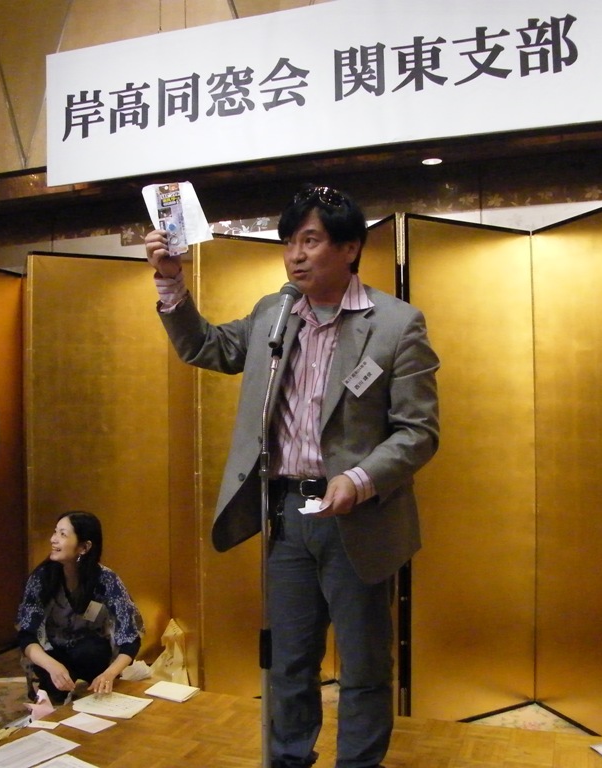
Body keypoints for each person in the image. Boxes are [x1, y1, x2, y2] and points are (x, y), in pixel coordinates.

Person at [144, 184, 440, 768]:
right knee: (289, 661)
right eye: (289, 243)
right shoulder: (274, 313)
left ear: (350, 248)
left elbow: (419, 432)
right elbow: (205, 347)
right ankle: (288, 760)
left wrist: (359, 479)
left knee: (363, 663)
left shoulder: (396, 324)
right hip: (286, 517)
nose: (295, 256)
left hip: (359, 519)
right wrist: (170, 280)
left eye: (310, 241)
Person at [15, 511, 144, 705]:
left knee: (91, 653)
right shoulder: (41, 578)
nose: (53, 539)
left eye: (63, 534)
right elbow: (26, 635)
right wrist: (52, 665)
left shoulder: (106, 580)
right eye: (55, 532)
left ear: (84, 547)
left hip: (89, 651)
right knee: (52, 696)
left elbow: (130, 638)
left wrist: (109, 674)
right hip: (52, 653)